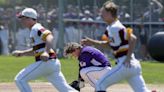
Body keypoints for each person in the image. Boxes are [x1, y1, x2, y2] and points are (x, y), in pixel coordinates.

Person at [81, 1, 150, 92]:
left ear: (109, 13)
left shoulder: (116, 27)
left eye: (103, 13)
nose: (101, 15)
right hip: (134, 66)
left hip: (125, 63)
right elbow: (108, 45)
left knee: (100, 85)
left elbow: (133, 39)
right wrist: (91, 41)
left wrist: (128, 58)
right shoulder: (110, 28)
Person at [12, 8, 78, 92]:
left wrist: (46, 52)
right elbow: (38, 48)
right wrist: (22, 53)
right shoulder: (34, 30)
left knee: (19, 79)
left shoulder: (36, 28)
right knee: (65, 89)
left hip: (45, 62)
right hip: (52, 63)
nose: (21, 20)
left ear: (29, 18)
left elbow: (49, 36)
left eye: (23, 18)